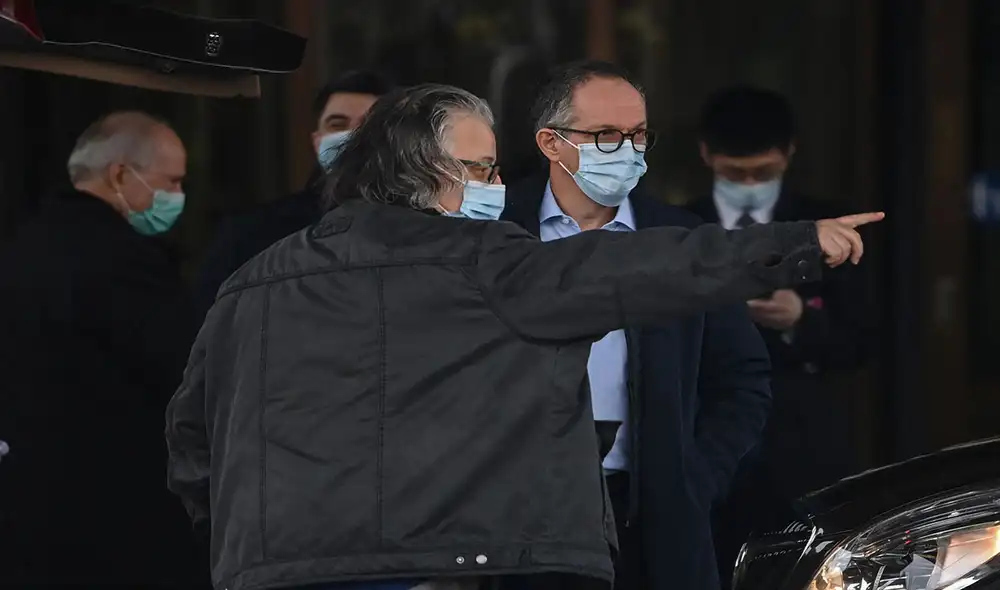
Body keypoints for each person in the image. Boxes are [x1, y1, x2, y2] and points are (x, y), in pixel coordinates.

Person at [165, 83, 881, 590]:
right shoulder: (482, 261)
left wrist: (242, 535)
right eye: (481, 169)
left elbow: (192, 440)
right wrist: (795, 243)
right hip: (436, 567)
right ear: (427, 176)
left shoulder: (253, 280)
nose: (496, 184)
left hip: (275, 568)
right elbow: (638, 268)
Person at [501, 60, 774, 590]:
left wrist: (694, 479)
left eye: (638, 135)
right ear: (551, 143)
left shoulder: (682, 238)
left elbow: (742, 379)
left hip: (653, 520)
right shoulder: (494, 232)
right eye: (605, 136)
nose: (626, 150)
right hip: (519, 523)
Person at [0, 111, 207, 587]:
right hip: (118, 514)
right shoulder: (123, 264)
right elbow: (185, 374)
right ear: (119, 174)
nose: (176, 197)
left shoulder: (21, 247)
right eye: (171, 182)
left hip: (28, 509)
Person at [685, 85, 870, 589]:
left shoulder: (828, 226)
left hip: (803, 452)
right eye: (734, 172)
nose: (748, 184)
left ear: (789, 154)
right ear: (706, 155)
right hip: (706, 450)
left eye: (762, 173)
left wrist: (799, 321)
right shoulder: (680, 228)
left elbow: (866, 342)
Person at [192, 70, 394, 323]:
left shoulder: (427, 234)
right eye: (338, 125)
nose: (352, 137)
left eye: (368, 125)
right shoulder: (252, 236)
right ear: (317, 140)